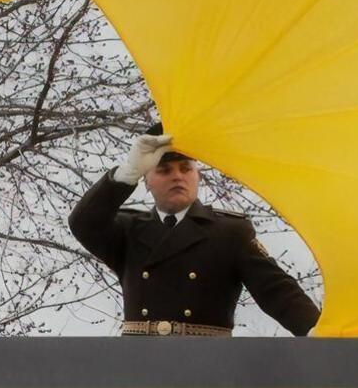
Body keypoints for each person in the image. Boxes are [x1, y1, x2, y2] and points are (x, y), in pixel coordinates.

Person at [69, 123, 320, 337]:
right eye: (164, 170)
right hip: (139, 363)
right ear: (146, 180)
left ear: (197, 175)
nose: (177, 176)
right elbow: (83, 223)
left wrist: (321, 336)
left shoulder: (229, 233)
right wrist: (128, 173)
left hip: (206, 364)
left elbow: (277, 291)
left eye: (185, 168)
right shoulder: (128, 230)